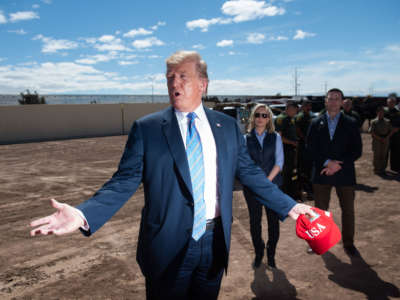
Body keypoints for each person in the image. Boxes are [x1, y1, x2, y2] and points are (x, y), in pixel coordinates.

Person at [30, 51, 313, 300]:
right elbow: (123, 181)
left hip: (214, 243)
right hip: (168, 246)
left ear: (203, 84)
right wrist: (83, 214)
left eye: (182, 77)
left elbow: (250, 173)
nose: (174, 84)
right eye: (170, 77)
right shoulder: (148, 129)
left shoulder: (226, 127)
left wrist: (289, 205)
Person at [306, 88, 362, 256]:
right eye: (330, 98)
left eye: (337, 98)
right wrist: (327, 162)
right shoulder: (315, 123)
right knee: (320, 211)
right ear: (325, 101)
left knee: (348, 210)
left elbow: (357, 150)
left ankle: (348, 243)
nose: (333, 101)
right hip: (322, 173)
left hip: (344, 173)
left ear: (342, 101)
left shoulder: (351, 122)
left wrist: (339, 165)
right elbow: (310, 149)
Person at [243, 104, 284, 269]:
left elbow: (279, 162)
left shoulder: (276, 137)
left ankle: (271, 253)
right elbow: (244, 164)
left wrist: (266, 182)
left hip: (272, 186)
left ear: (269, 119)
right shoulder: (245, 138)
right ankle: (259, 252)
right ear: (253, 117)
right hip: (252, 188)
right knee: (255, 222)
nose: (261, 118)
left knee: (273, 222)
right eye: (258, 115)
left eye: (265, 115)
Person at [275, 101, 300, 200]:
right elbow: (279, 137)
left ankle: (290, 193)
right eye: (295, 111)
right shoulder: (282, 119)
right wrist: (292, 142)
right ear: (289, 109)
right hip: (284, 150)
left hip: (291, 150)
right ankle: (284, 194)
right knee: (285, 174)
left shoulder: (290, 119)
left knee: (291, 173)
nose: (296, 113)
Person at [295, 100, 313, 200]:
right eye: (307, 106)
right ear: (303, 106)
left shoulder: (309, 115)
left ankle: (308, 187)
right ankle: (303, 189)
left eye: (309, 106)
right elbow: (297, 129)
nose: (309, 108)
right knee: (303, 168)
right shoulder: (300, 116)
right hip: (302, 145)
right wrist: (304, 138)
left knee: (308, 167)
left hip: (308, 145)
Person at [369, 106, 393, 175]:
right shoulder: (373, 121)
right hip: (377, 140)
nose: (380, 114)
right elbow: (371, 132)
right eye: (379, 112)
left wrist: (387, 137)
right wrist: (379, 138)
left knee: (384, 155)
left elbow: (391, 131)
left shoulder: (387, 121)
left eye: (382, 112)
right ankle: (377, 169)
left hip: (385, 140)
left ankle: (383, 169)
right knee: (377, 155)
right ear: (377, 113)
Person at [384, 96, 400, 173]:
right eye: (389, 102)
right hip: (384, 135)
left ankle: (395, 168)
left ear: (395, 103)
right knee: (384, 152)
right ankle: (382, 168)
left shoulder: (398, 112)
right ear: (387, 103)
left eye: (392, 102)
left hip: (395, 136)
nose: (391, 104)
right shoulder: (384, 112)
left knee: (395, 153)